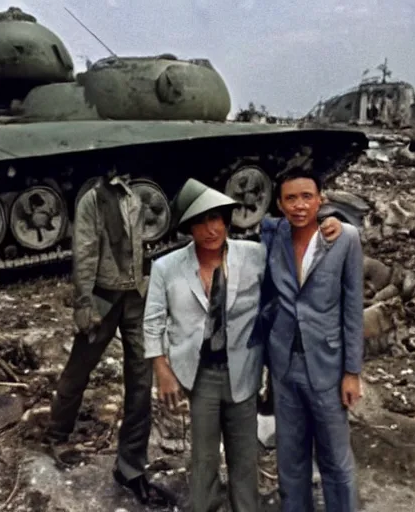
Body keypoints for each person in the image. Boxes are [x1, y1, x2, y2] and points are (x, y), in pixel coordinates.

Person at [143, 178, 343, 511]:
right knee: (204, 456)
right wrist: (161, 367)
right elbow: (152, 321)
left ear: (226, 221)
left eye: (217, 219)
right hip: (199, 373)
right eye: (202, 222)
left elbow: (295, 238)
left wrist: (329, 222)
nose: (211, 229)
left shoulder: (254, 255)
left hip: (244, 369)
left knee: (244, 456)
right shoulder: (167, 267)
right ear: (190, 228)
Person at [45, 169, 173, 508]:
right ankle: (58, 433)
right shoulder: (93, 199)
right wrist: (84, 303)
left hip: (134, 296)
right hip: (102, 296)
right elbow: (85, 252)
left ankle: (131, 466)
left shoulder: (133, 195)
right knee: (80, 367)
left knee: (141, 380)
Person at [257, 168, 365, 512]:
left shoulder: (344, 237)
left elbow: (353, 309)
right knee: (290, 457)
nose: (299, 205)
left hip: (328, 366)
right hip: (284, 364)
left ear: (322, 199)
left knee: (335, 459)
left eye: (307, 197)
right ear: (279, 204)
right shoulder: (273, 234)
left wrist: (352, 371)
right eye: (290, 198)